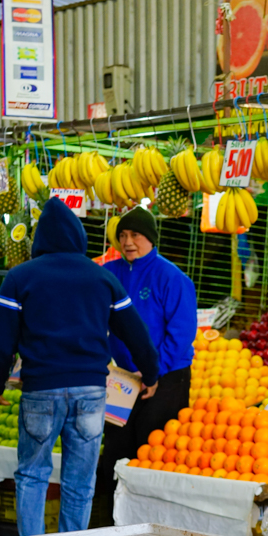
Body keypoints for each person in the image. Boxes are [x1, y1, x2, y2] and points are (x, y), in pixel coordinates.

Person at [0, 198, 160, 536]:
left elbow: (0, 339)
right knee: (80, 481)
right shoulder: (102, 277)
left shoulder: (19, 277)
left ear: (39, 239)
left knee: (33, 475)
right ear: (79, 237)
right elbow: (136, 332)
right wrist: (149, 374)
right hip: (91, 392)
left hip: (41, 390)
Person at [97, 206, 197, 485]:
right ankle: (112, 520)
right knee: (116, 452)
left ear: (151, 238)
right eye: (123, 235)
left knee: (153, 453)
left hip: (166, 378)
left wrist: (154, 370)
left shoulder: (172, 277)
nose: (128, 242)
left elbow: (182, 334)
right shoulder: (108, 273)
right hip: (124, 379)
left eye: (136, 235)